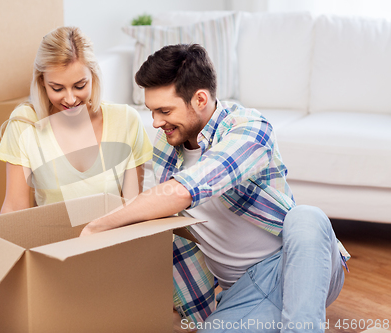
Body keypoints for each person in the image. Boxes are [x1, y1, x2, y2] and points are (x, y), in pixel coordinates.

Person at [81, 44, 349, 332]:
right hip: (245, 293)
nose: (156, 122)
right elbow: (154, 218)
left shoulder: (249, 127)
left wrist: (97, 227)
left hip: (300, 261)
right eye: (152, 111)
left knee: (306, 217)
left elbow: (186, 189)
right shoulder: (165, 149)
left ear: (200, 99)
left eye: (164, 110)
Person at [0, 26, 153, 333]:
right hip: (46, 261)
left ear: (94, 76)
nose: (71, 98)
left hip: (104, 260)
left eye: (80, 85)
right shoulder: (24, 125)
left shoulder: (125, 121)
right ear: (41, 82)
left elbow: (132, 208)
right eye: (57, 88)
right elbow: (14, 211)